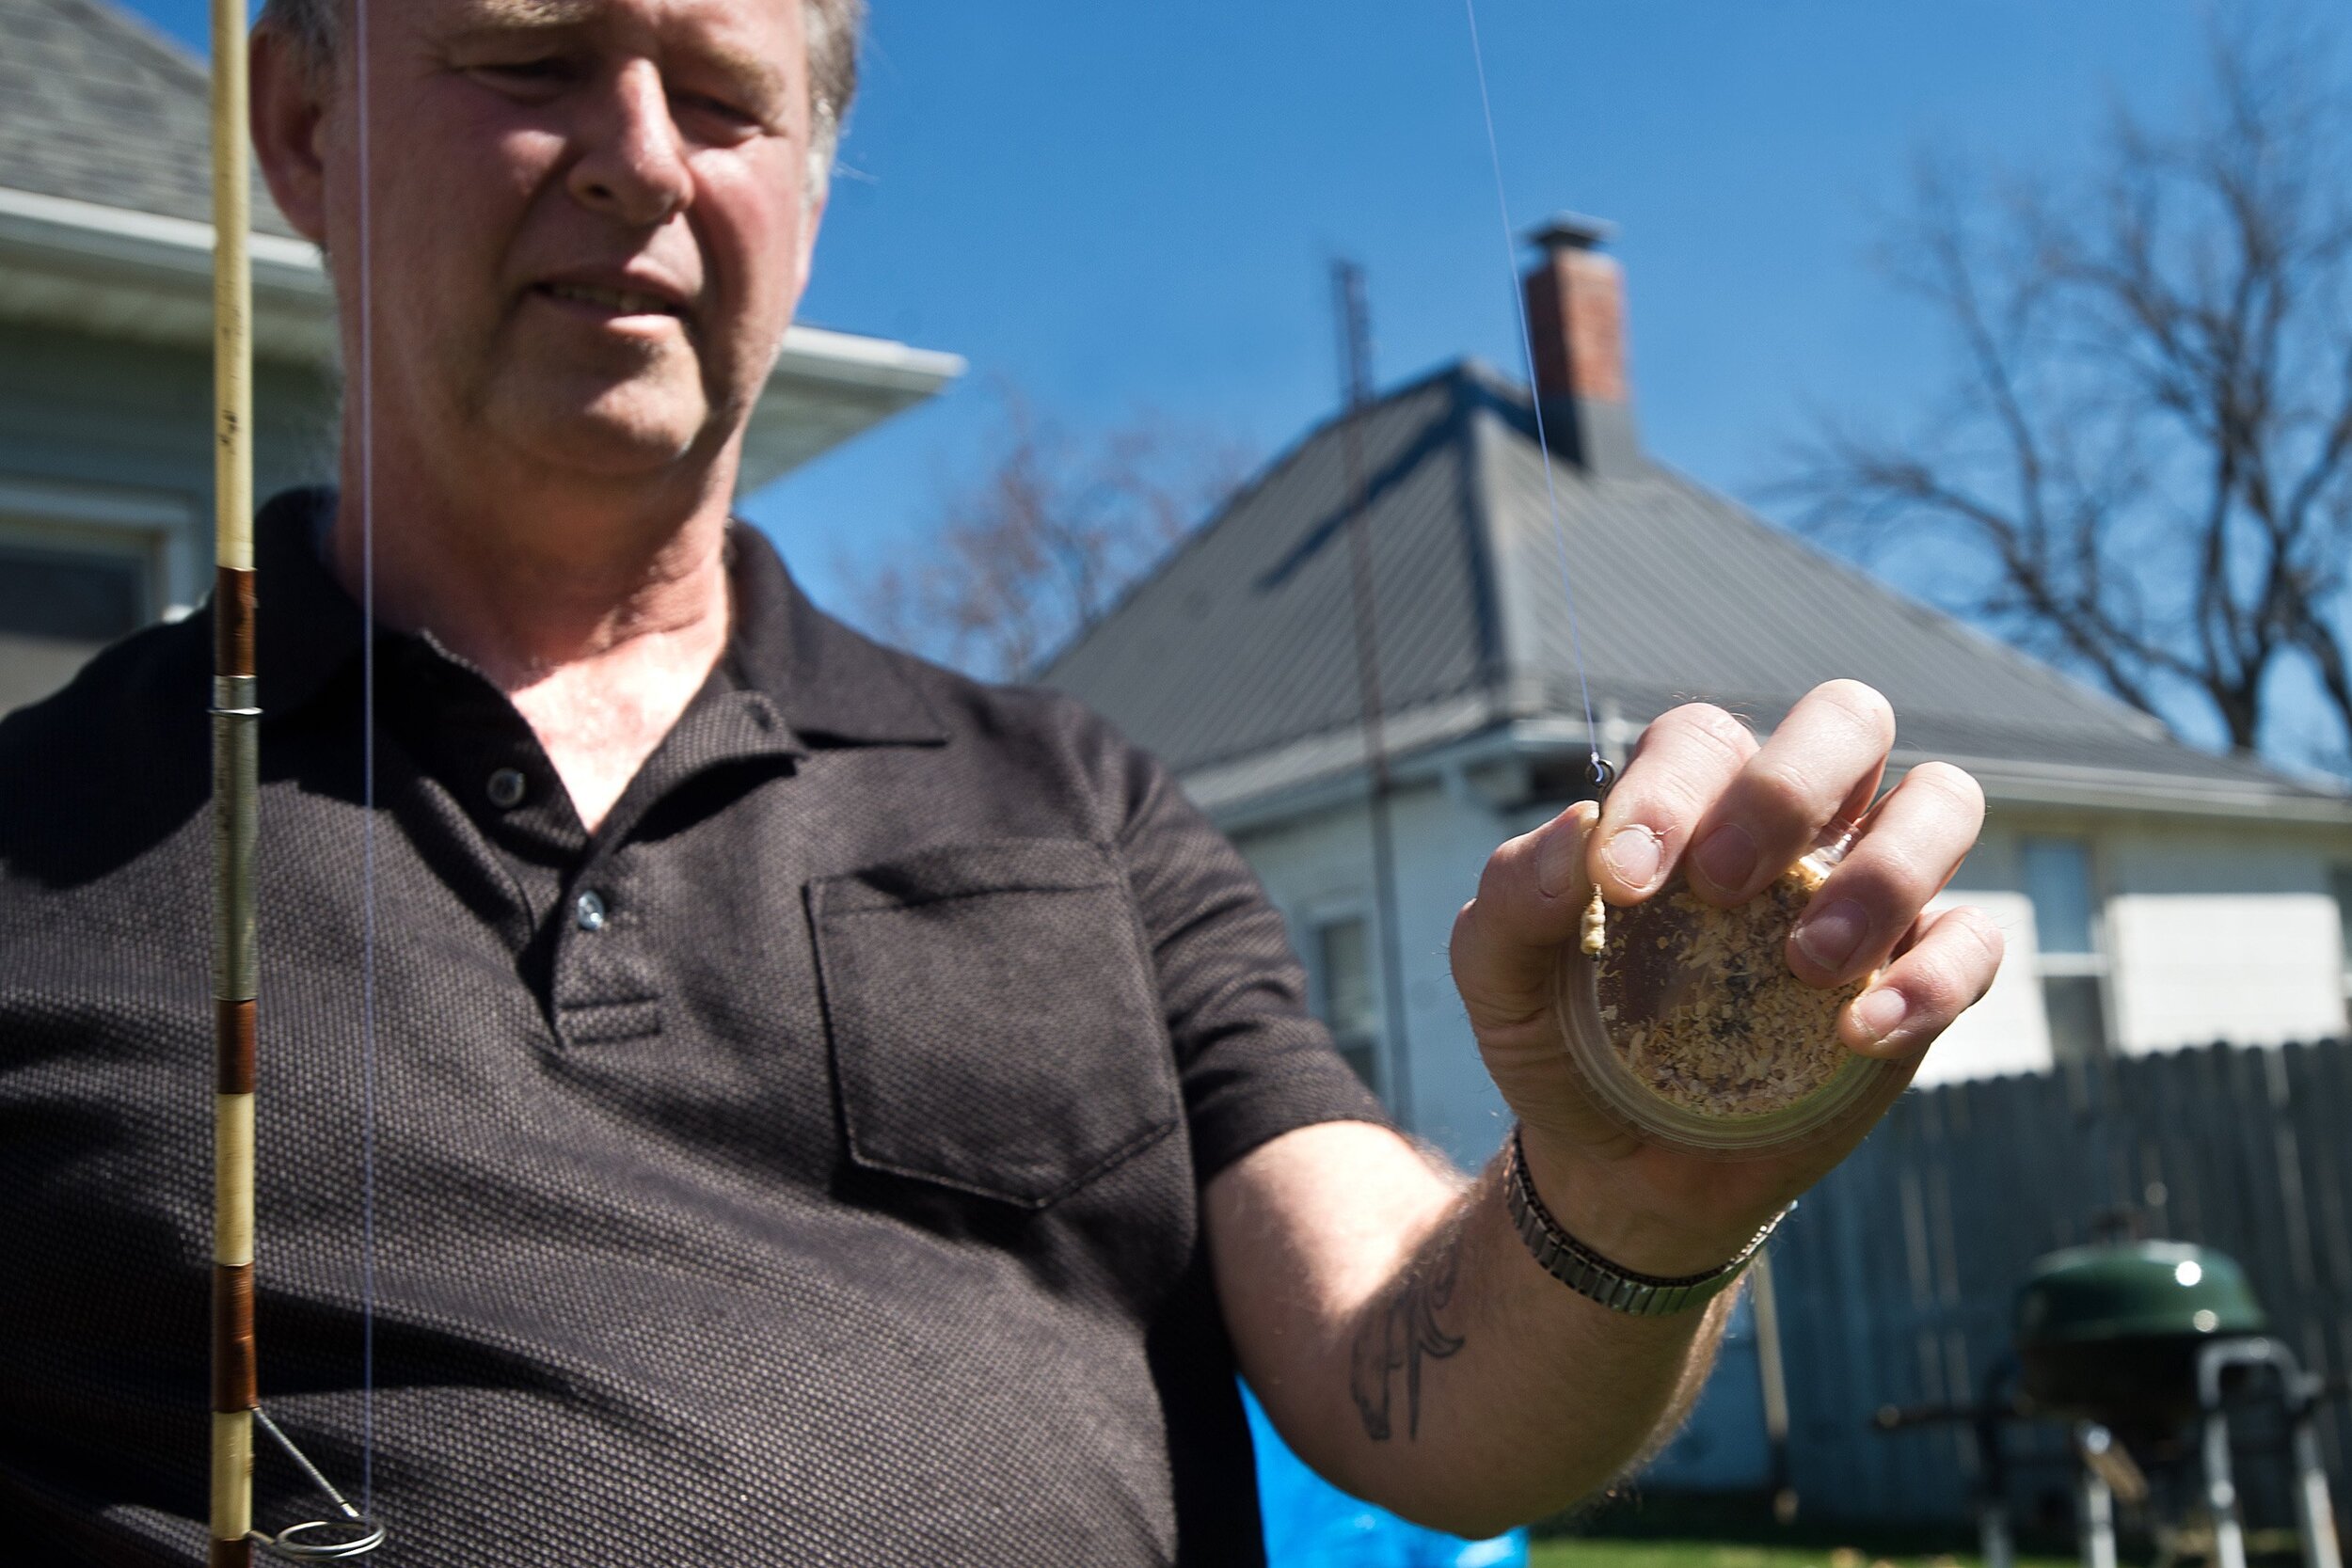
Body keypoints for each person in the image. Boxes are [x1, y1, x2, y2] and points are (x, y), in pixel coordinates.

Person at [0, 0, 2004, 1561]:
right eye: (529, 59)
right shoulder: (43, 838)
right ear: (299, 123)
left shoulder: (1081, 804)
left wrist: (1628, 1205)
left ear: (816, 166)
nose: (632, 157)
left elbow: (1422, 1390)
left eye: (722, 97)